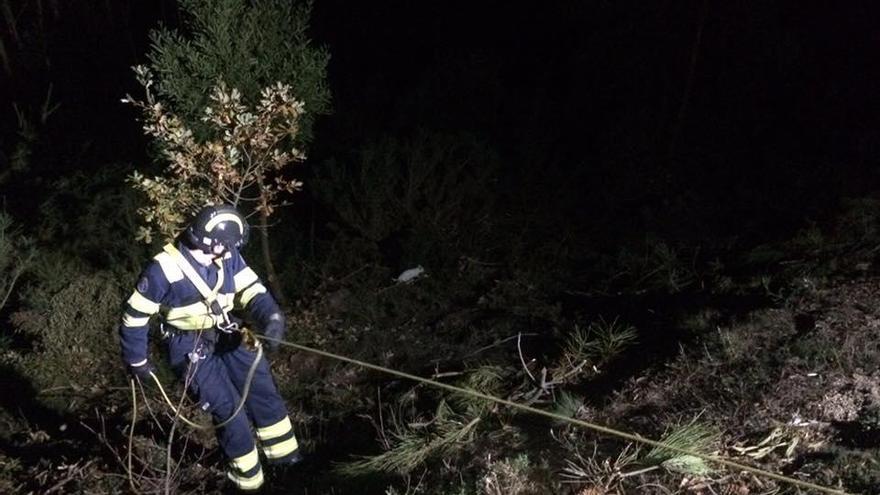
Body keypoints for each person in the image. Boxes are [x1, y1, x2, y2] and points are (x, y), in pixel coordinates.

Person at [118, 204, 301, 491]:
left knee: (262, 392)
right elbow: (135, 317)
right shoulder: (162, 271)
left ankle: (287, 462)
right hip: (189, 346)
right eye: (226, 247)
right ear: (212, 243)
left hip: (228, 333)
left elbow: (252, 290)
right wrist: (136, 359)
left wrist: (272, 317)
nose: (230, 253)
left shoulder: (227, 256)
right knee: (230, 413)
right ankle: (248, 483)